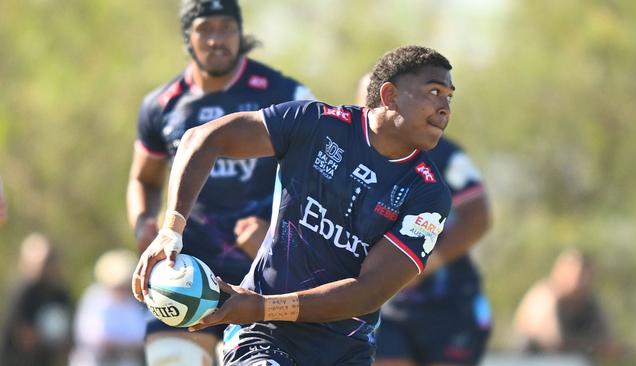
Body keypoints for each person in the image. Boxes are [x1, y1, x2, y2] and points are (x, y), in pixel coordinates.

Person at [133, 45, 455, 366]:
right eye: (434, 91)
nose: (445, 107)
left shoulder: (428, 194)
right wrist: (171, 231)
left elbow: (368, 292)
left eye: (449, 97)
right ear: (389, 95)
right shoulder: (316, 124)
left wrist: (262, 305)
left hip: (344, 352)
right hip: (264, 336)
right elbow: (202, 140)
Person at [126, 0, 313, 364]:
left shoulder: (286, 94)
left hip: (261, 271)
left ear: (240, 33)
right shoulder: (161, 105)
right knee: (171, 357)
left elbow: (319, 179)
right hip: (185, 268)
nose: (217, 39)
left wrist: (281, 236)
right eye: (205, 29)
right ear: (188, 37)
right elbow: (143, 178)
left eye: (226, 28)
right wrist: (142, 226)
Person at [354, 73, 493, 366]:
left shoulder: (443, 154)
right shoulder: (348, 156)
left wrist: (425, 265)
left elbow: (478, 217)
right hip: (385, 305)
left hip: (449, 303)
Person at [513, 248, 623, 361]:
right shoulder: (544, 297)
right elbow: (553, 341)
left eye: (587, 274)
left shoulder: (589, 302)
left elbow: (607, 343)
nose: (583, 280)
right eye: (578, 273)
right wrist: (591, 345)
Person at [0, 233, 73, 366]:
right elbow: (24, 335)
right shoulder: (24, 291)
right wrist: (50, 340)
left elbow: (67, 338)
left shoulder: (60, 293)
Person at [69, 249, 147, 366]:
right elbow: (94, 337)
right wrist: (126, 344)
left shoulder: (133, 302)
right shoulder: (94, 298)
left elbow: (141, 337)